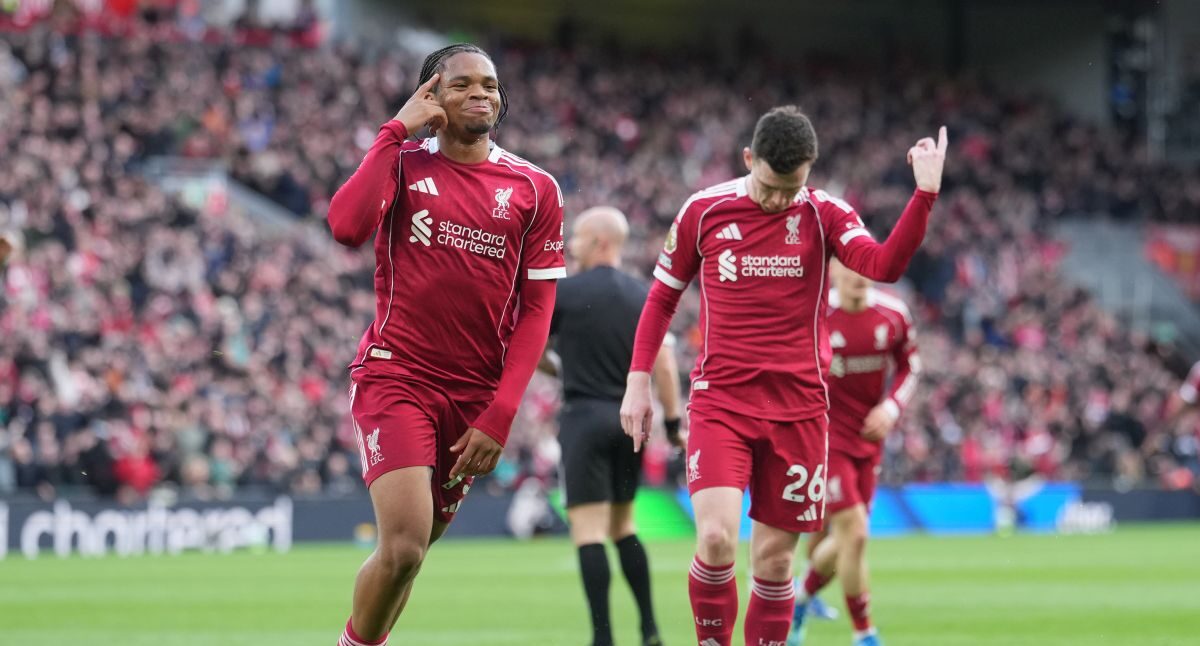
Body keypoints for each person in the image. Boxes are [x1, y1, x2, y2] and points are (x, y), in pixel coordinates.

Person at [620, 106, 947, 646]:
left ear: (809, 171)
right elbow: (661, 298)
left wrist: (924, 195)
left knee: (773, 562)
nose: (778, 200)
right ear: (749, 159)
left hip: (800, 410)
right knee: (718, 538)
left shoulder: (826, 213)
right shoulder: (704, 210)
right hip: (721, 402)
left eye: (791, 188)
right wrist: (638, 381)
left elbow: (885, 266)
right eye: (770, 187)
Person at [325, 44, 565, 646]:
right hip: (396, 374)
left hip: (475, 400)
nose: (481, 92)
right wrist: (392, 130)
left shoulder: (535, 188)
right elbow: (347, 227)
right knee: (403, 546)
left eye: (489, 83)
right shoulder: (404, 162)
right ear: (430, 96)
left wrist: (502, 412)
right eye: (461, 84)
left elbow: (538, 311)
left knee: (410, 554)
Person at [540, 206, 684, 646]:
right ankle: (650, 628)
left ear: (601, 241)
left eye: (578, 238)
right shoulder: (644, 295)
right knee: (625, 527)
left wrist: (560, 369)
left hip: (583, 418)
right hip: (629, 421)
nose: (571, 246)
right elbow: (663, 365)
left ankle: (603, 638)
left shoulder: (562, 293)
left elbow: (531, 350)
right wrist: (674, 421)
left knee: (588, 533)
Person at [789, 259, 921, 646]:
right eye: (851, 267)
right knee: (857, 532)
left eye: (866, 266)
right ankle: (864, 633)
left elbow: (910, 366)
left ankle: (800, 599)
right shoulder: (818, 315)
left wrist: (891, 407)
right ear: (834, 273)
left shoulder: (893, 314)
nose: (860, 276)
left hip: (869, 441)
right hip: (826, 441)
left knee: (850, 539)